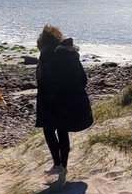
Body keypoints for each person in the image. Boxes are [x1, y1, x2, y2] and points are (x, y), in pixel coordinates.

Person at [35, 24, 93, 175]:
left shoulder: (46, 55)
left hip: (51, 101)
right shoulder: (70, 53)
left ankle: (57, 164)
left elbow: (42, 79)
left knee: (49, 130)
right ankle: (64, 167)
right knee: (62, 131)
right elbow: (83, 78)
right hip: (70, 99)